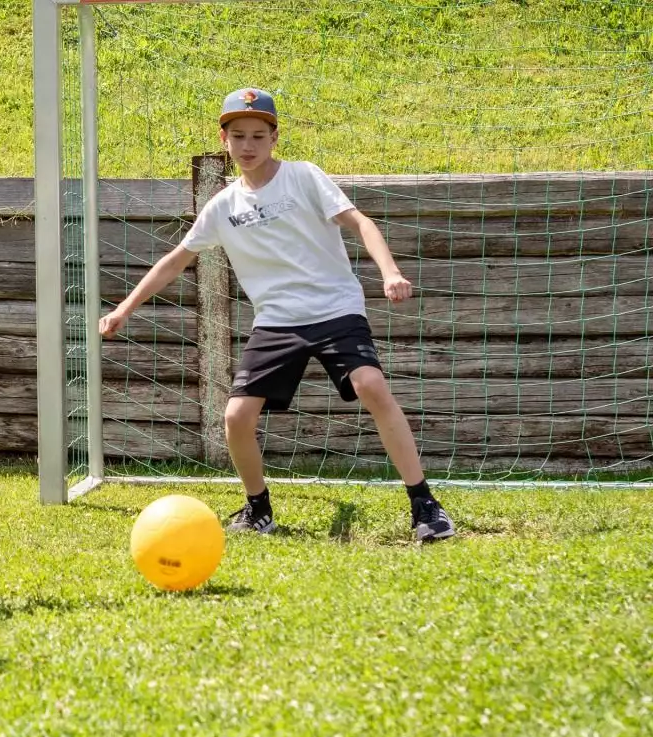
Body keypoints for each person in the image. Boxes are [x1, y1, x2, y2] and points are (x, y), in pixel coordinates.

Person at [100, 88, 455, 542]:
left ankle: (425, 504)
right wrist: (124, 309)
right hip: (277, 323)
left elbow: (362, 222)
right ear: (224, 140)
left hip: (335, 310)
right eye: (238, 136)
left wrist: (390, 272)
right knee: (236, 417)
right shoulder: (223, 207)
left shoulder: (304, 177)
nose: (248, 146)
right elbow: (176, 259)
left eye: (258, 136)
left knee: (371, 385)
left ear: (274, 138)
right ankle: (257, 508)